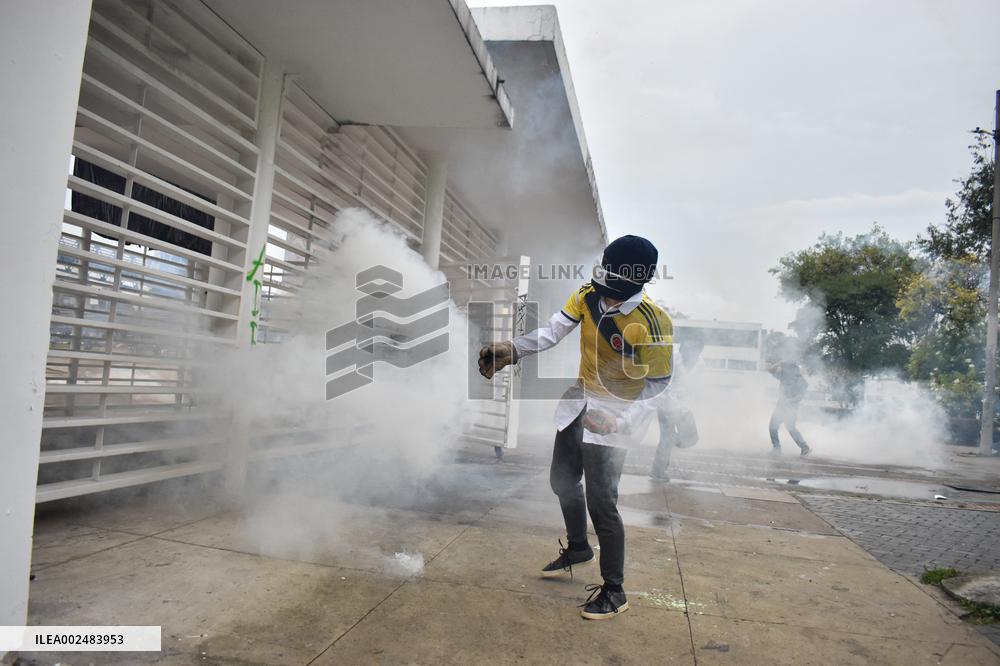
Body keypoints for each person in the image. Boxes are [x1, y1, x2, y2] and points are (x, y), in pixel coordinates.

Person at [478, 235, 673, 620]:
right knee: (561, 481)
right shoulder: (587, 294)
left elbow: (658, 385)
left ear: (639, 281)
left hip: (615, 413)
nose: (608, 298)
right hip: (579, 402)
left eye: (617, 291)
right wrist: (513, 349)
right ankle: (579, 547)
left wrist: (619, 418)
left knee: (603, 503)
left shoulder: (655, 320)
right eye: (606, 284)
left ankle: (615, 591)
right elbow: (553, 330)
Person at [649, 333, 703, 481]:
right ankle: (658, 472)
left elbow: (694, 386)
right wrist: (671, 405)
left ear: (699, 350)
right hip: (666, 405)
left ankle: (670, 441)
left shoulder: (700, 364)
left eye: (693, 348)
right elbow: (662, 384)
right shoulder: (672, 358)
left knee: (692, 438)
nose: (688, 351)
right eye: (685, 347)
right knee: (666, 437)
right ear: (682, 347)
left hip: (683, 406)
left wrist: (688, 404)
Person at [768, 360, 812, 456]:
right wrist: (779, 363)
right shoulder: (784, 375)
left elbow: (800, 396)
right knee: (773, 427)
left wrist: (789, 401)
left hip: (791, 408)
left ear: (795, 369)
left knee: (791, 428)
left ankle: (804, 447)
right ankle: (777, 448)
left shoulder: (801, 381)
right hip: (781, 406)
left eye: (791, 367)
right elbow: (770, 370)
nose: (789, 369)